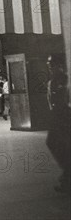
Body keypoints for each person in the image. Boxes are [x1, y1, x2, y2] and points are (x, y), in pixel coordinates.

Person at [46, 55, 71, 194]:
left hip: (66, 118)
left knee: (62, 145)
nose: (50, 68)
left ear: (59, 66)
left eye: (52, 65)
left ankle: (67, 176)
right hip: (58, 118)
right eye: (49, 66)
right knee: (52, 142)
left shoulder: (66, 79)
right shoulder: (52, 82)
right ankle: (67, 172)